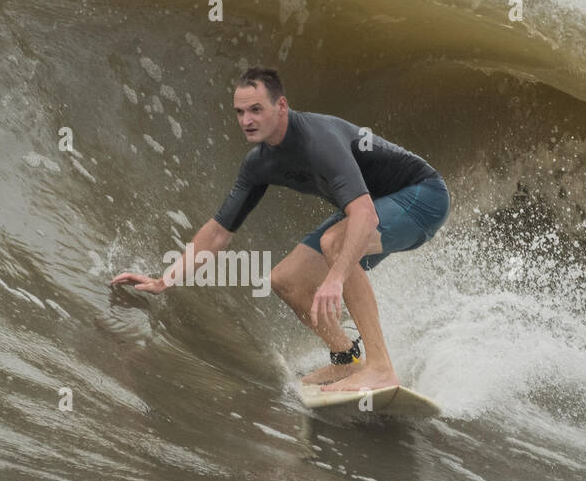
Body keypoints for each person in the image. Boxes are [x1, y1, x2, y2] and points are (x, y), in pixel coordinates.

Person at [111, 67, 450, 392]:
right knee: (285, 280)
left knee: (335, 243)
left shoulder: (320, 139)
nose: (246, 120)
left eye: (256, 109)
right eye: (240, 112)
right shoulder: (260, 163)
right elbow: (217, 233)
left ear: (282, 106)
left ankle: (380, 368)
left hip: (423, 198)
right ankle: (347, 358)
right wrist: (164, 280)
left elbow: (364, 215)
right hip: (378, 206)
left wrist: (335, 279)